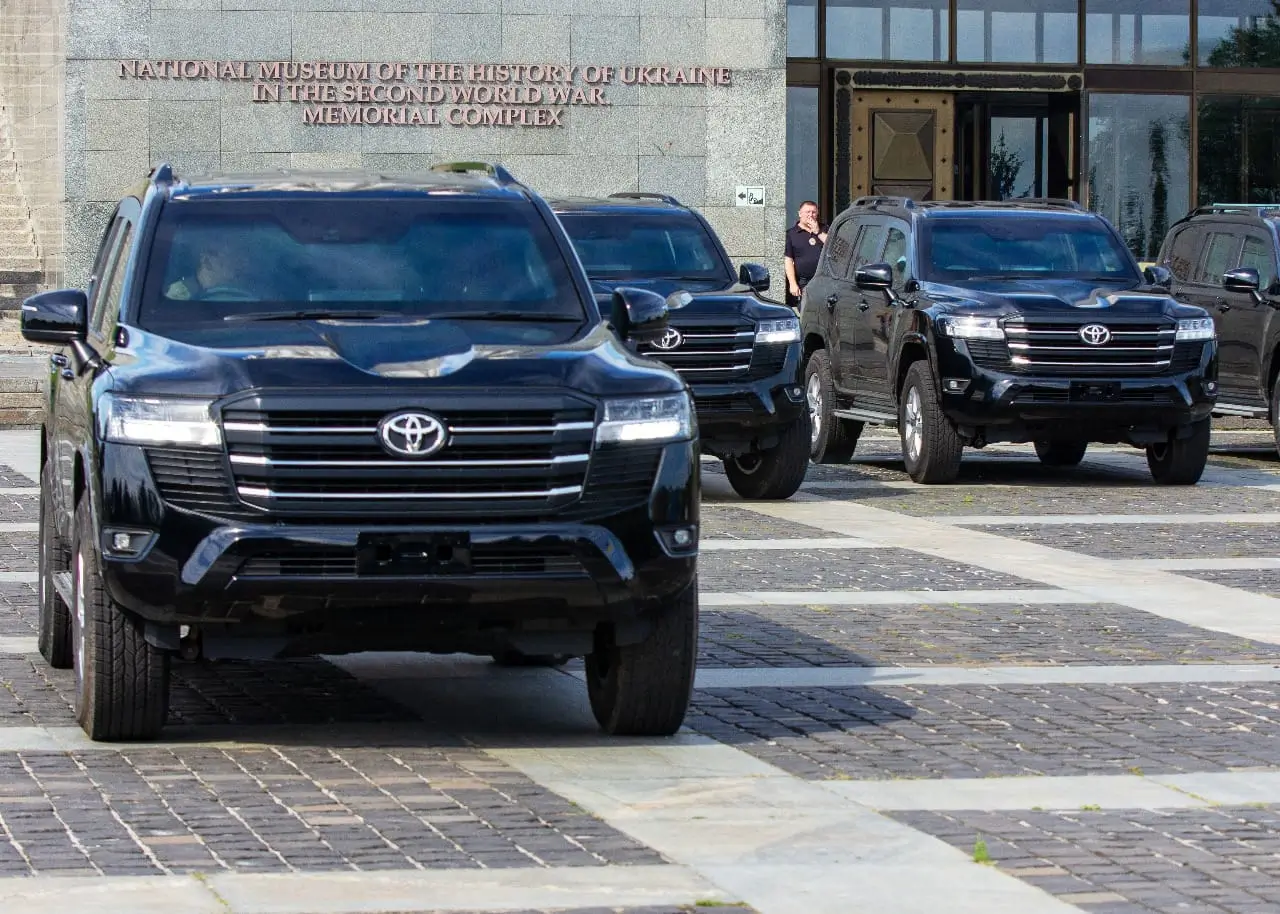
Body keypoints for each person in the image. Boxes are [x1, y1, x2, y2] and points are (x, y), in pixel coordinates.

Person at [784, 201, 827, 311]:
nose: (810, 215)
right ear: (800, 214)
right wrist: (793, 284)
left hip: (824, 280)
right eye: (807, 212)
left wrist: (818, 232)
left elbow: (834, 247)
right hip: (804, 282)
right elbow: (788, 260)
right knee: (806, 311)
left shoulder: (825, 229)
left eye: (813, 212)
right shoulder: (791, 234)